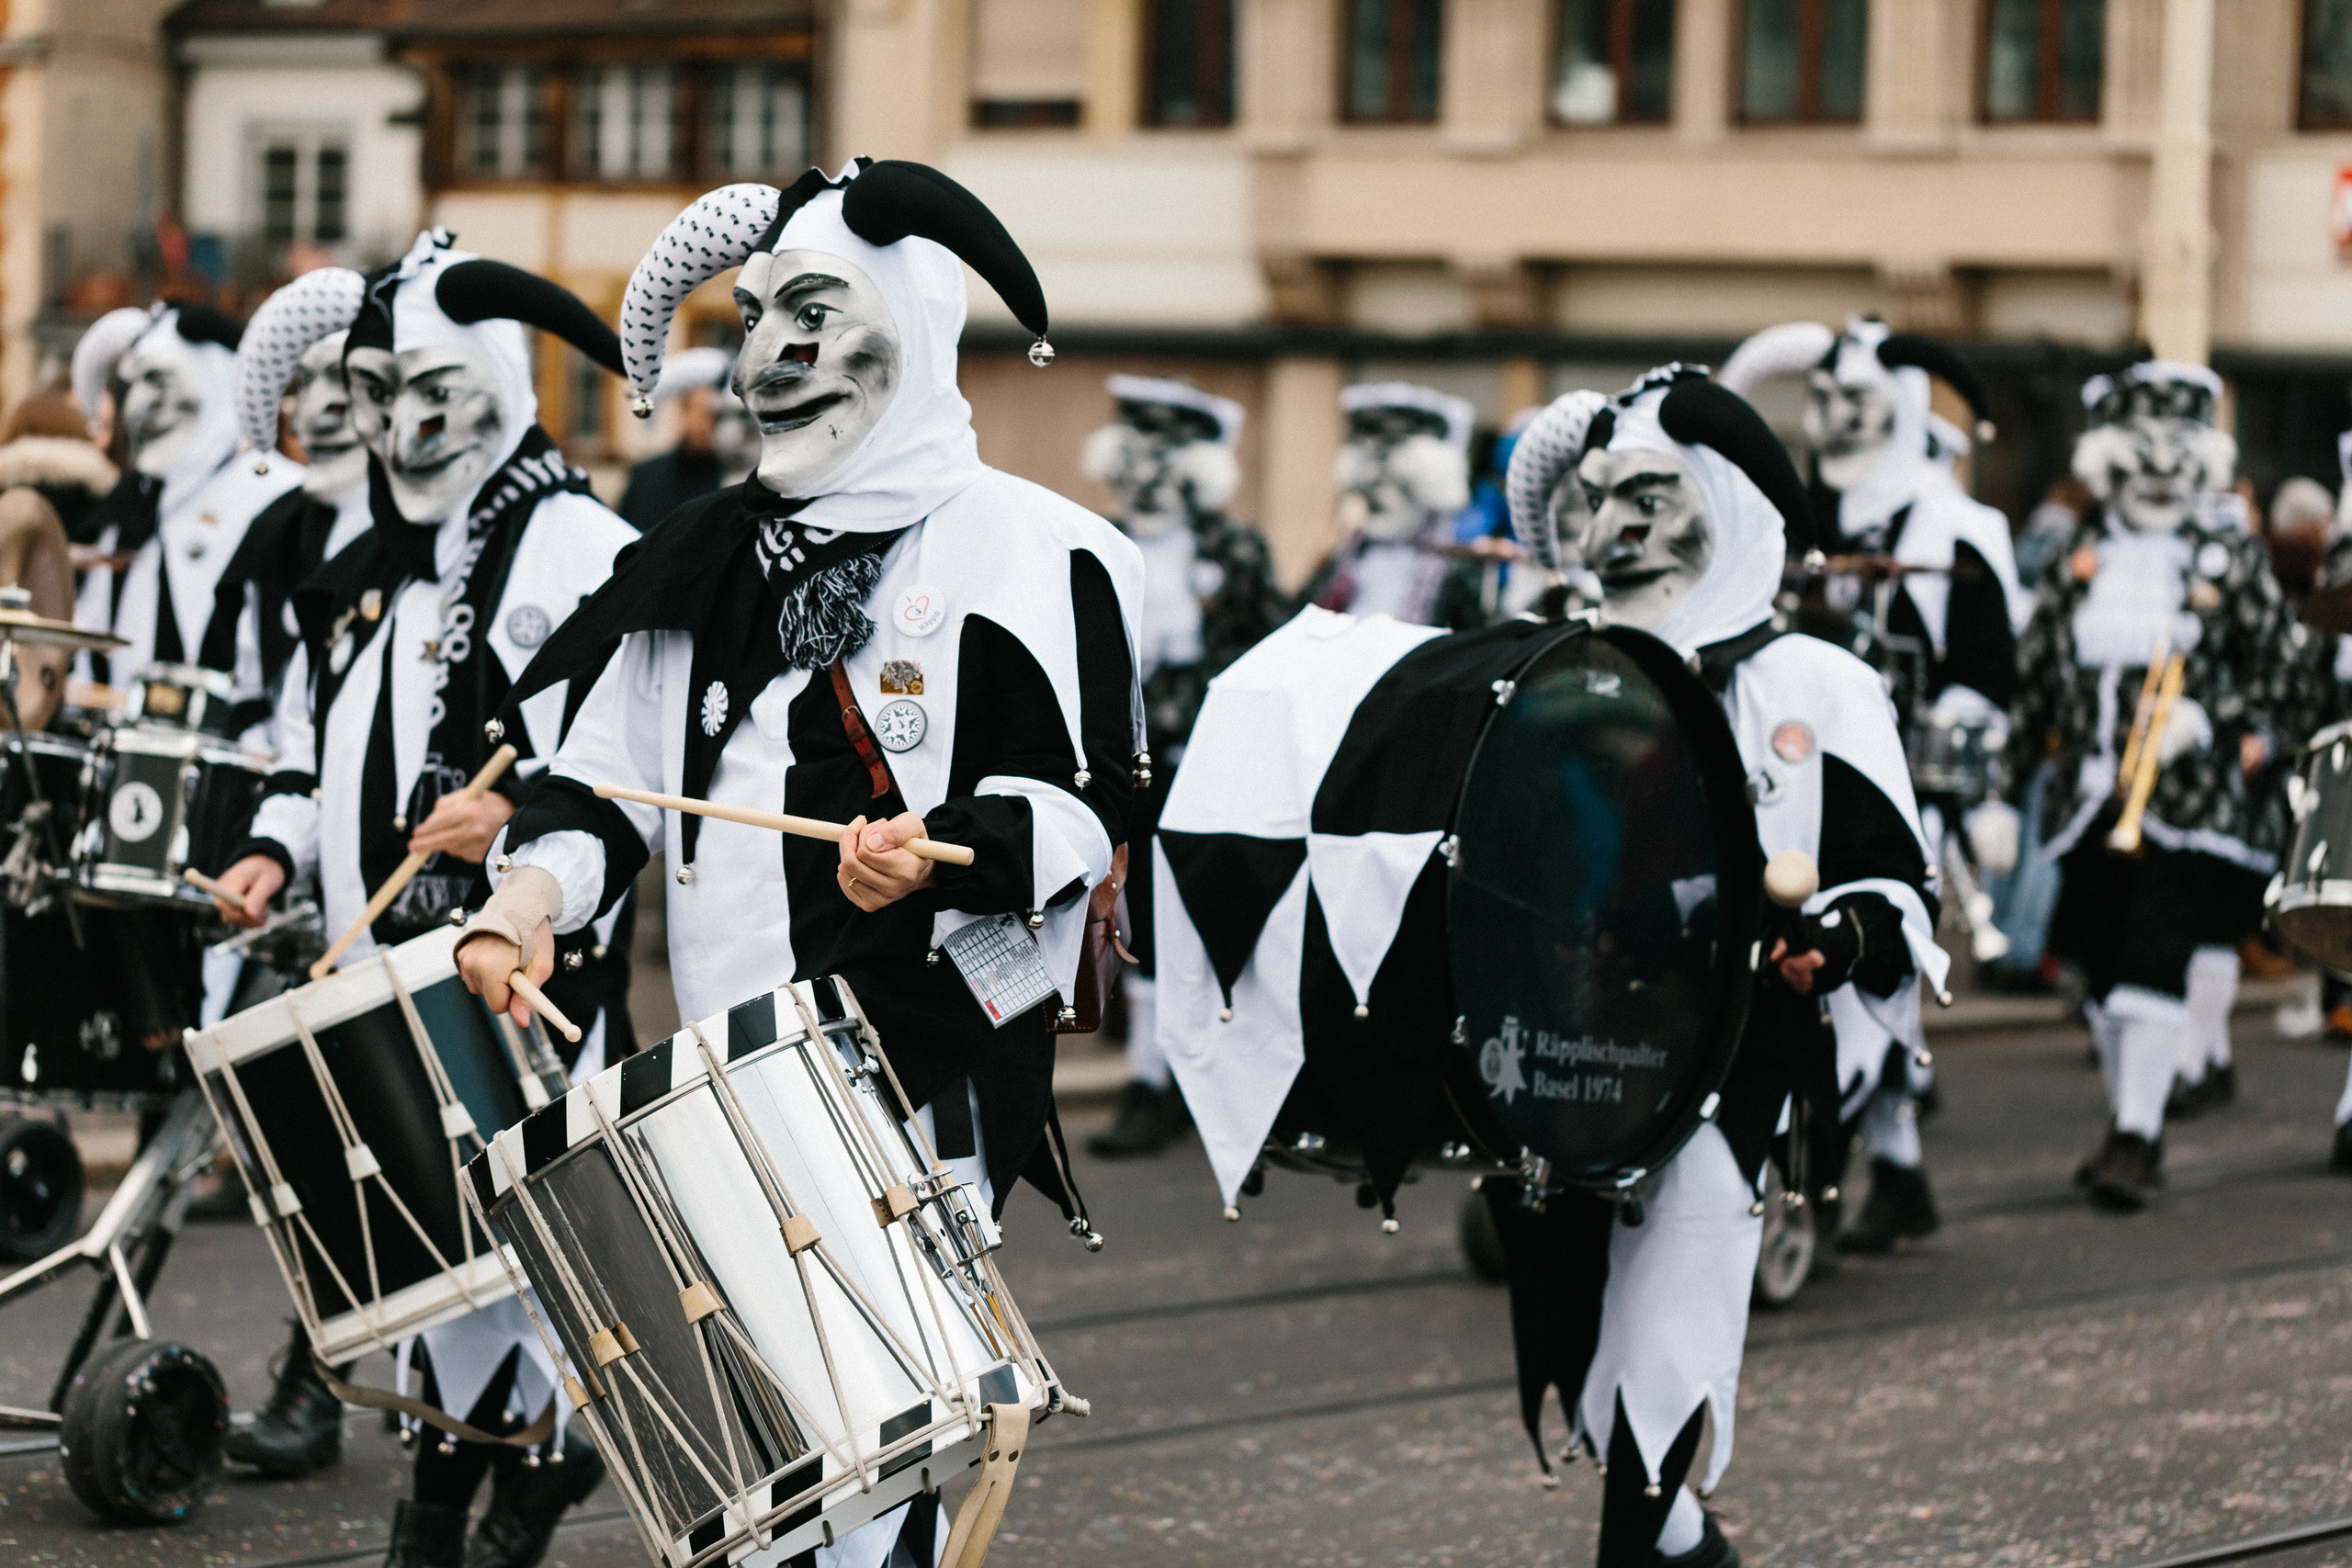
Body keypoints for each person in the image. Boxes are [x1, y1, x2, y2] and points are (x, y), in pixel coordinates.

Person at [447, 159, 1139, 1568]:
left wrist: (944, 854)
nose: (771, 354)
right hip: (719, 1077)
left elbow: (1085, 809)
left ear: (912, 325)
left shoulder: (1037, 550)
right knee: (763, 1481)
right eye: (758, 315)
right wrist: (527, 895)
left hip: (917, 1071)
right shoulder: (697, 557)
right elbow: (602, 784)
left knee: (875, 1469)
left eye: (815, 313)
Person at [203, 231, 639, 1568]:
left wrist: (515, 817)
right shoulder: (382, 563)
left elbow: (629, 761)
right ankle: (453, 1514)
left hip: (518, 975)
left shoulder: (577, 545)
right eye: (378, 394)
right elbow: (312, 744)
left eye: (428, 390)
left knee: (524, 1258)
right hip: (386, 964)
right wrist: (276, 848)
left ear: (495, 384)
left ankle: (492, 1505)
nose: (400, 426)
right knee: (439, 1271)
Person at [1720, 317, 2023, 1256]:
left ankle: (1831, 1177)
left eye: (1856, 401)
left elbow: (1987, 672)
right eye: (1824, 401)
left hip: (1898, 791)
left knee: (1861, 978)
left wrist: (1969, 785)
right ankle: (1886, 1173)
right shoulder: (1799, 516)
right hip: (1788, 779)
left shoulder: (1955, 529)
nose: (1837, 420)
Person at [2013, 361, 2299, 1211]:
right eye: (2145, 454)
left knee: (2154, 952)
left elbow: (2282, 675)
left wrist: (2209, 719)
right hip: (2089, 801)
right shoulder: (2076, 554)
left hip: (2189, 805)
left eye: (2179, 454)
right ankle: (2126, 1117)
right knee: (2100, 969)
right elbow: (2035, 679)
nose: (2163, 472)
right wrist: (1998, 791)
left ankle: (2138, 1134)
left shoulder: (2229, 556)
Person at [1078, 374, 1284, 1157]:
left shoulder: (1236, 550)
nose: (1149, 474)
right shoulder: (1094, 540)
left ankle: (1213, 1081)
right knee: (1137, 921)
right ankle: (1150, 1078)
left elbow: (1267, 652)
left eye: (1168, 455)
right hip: (1117, 767)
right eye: (1138, 451)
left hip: (1212, 771)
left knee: (1213, 919)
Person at [206, 272, 379, 748]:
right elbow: (249, 677)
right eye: (305, 384)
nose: (311, 417)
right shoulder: (276, 530)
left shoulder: (434, 537)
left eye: (344, 385)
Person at [1302, 382, 1487, 628]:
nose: (1378, 497)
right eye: (1369, 486)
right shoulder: (1342, 559)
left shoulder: (1458, 570)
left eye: (1401, 486)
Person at [616, 344, 759, 529]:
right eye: (699, 411)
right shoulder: (647, 476)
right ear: (683, 411)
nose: (705, 423)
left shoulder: (733, 482)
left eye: (714, 415)